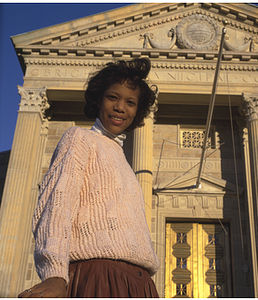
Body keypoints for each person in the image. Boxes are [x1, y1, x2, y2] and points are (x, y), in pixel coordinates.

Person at [18, 58, 160, 298]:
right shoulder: (79, 138)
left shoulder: (124, 161)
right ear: (98, 100)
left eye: (130, 102)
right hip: (99, 277)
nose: (120, 107)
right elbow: (57, 206)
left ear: (137, 111)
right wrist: (55, 275)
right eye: (112, 97)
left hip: (140, 285)